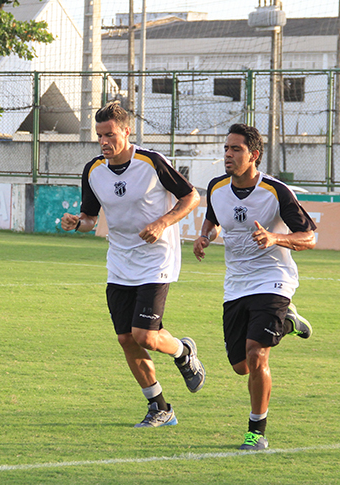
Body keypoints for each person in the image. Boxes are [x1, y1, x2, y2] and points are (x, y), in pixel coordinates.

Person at [61, 102, 204, 428]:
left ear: (127, 132)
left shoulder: (151, 162)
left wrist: (162, 223)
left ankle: (182, 352)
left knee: (146, 335)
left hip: (157, 260)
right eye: (99, 136)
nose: (104, 142)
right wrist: (76, 223)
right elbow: (90, 218)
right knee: (126, 339)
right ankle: (159, 407)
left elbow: (191, 196)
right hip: (120, 262)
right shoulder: (93, 170)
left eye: (110, 134)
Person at [194, 123, 316, 450]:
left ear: (254, 155)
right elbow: (214, 219)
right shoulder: (217, 187)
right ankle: (287, 322)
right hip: (236, 284)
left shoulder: (276, 191)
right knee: (240, 366)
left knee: (257, 353)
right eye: (226, 149)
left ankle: (255, 433)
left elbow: (309, 237)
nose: (228, 155)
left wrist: (275, 237)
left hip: (273, 279)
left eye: (236, 149)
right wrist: (205, 236)